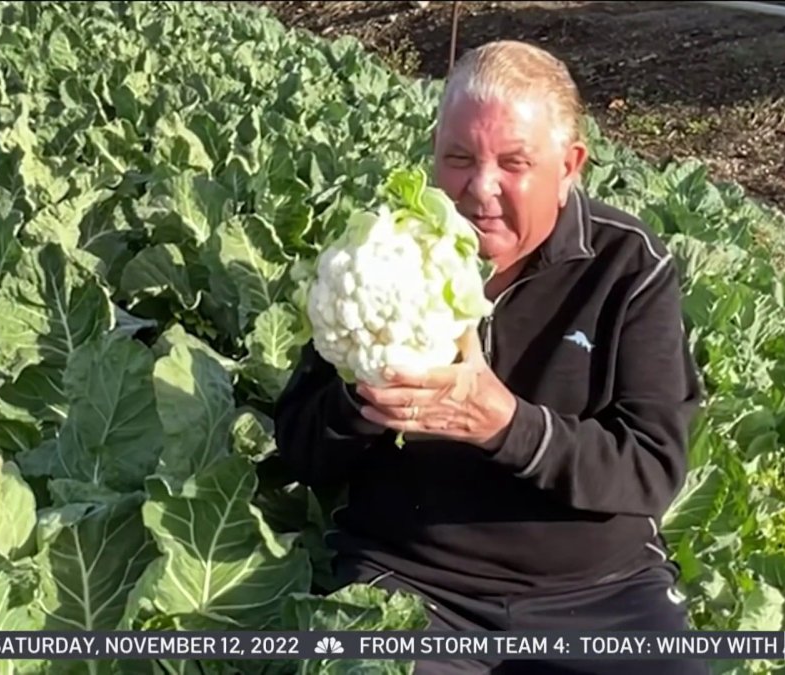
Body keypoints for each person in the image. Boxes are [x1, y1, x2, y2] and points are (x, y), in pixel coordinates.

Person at [274, 40, 708, 675]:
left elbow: (649, 469)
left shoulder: (629, 268)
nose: (480, 189)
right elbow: (299, 449)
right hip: (410, 579)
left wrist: (506, 425)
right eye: (458, 159)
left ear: (569, 166)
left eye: (514, 162)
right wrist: (362, 401)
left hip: (598, 593)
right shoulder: (383, 255)